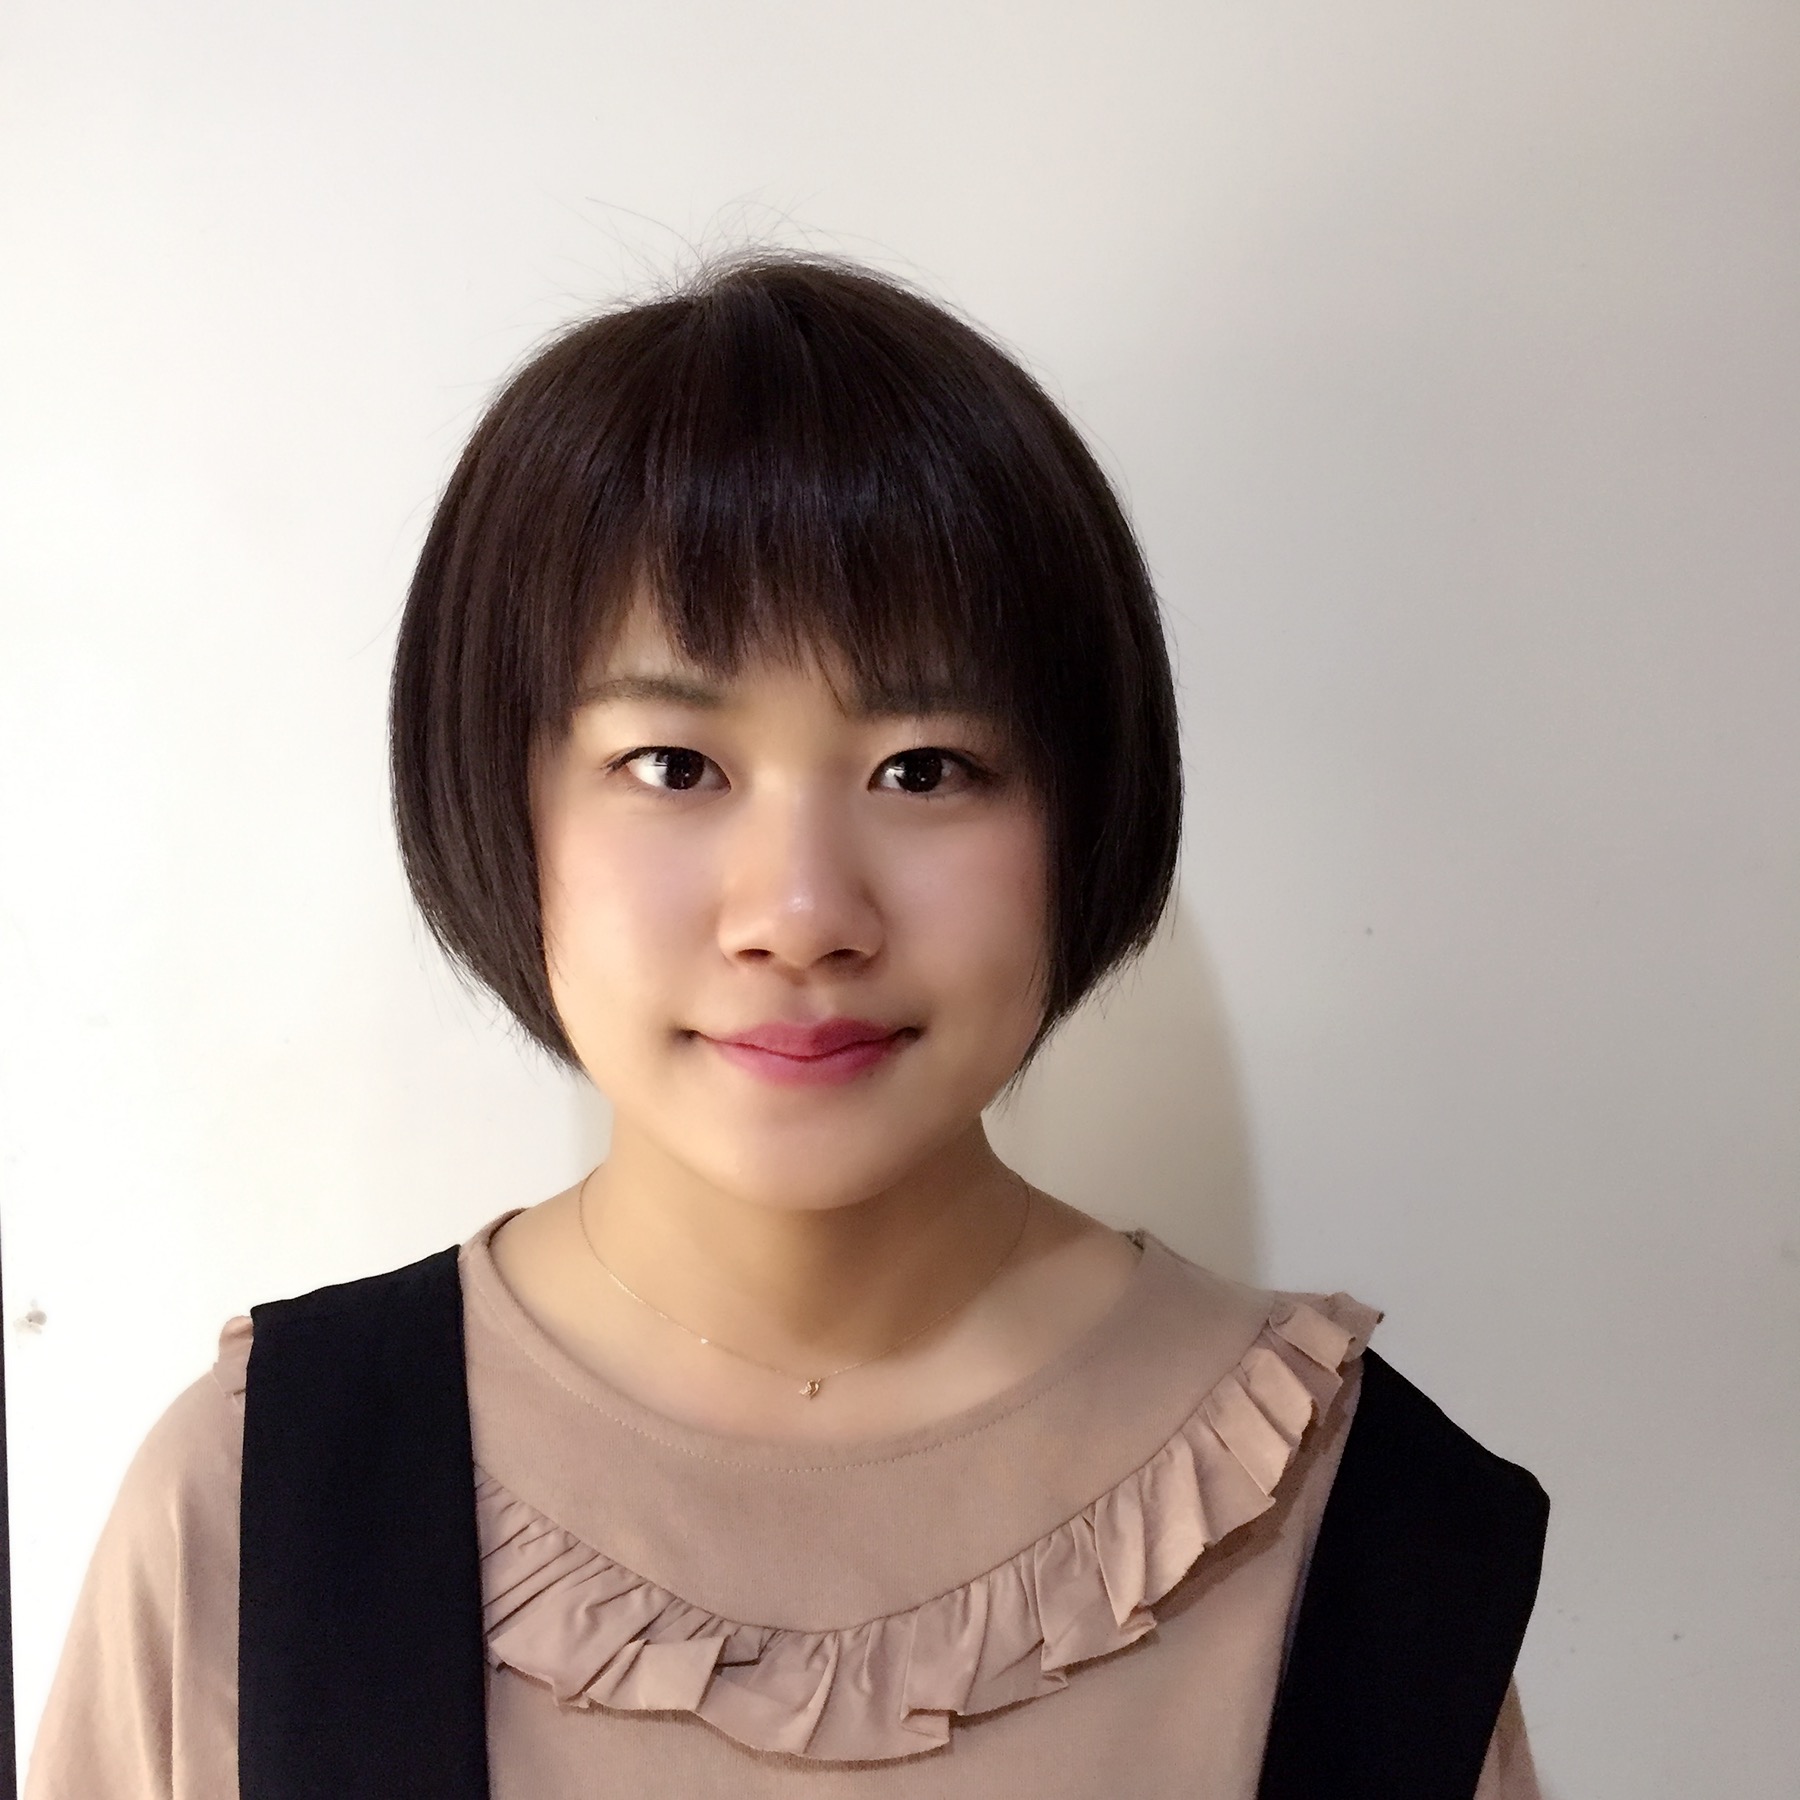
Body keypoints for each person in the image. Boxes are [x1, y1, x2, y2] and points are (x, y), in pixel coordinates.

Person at [25, 253, 1547, 1799]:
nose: (804, 912)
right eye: (675, 765)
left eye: (925, 768)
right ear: (502, 798)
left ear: (1084, 810)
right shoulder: (260, 1510)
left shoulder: (1359, 1525)